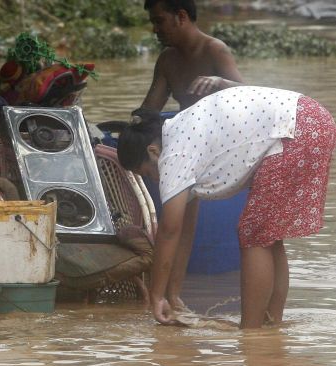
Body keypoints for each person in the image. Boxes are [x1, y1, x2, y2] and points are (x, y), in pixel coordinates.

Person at [117, 85, 336, 328]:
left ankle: (251, 334)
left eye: (147, 172)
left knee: (254, 234)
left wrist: (156, 296)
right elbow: (184, 231)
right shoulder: (182, 134)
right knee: (268, 236)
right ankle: (272, 325)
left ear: (153, 151)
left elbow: (168, 232)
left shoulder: (173, 154)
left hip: (295, 128)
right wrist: (173, 296)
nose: (155, 179)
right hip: (311, 119)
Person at [138, 0, 243, 112]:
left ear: (181, 16)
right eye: (153, 23)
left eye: (159, 21)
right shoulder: (166, 60)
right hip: (187, 127)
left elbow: (246, 94)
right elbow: (149, 111)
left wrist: (220, 82)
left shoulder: (215, 50)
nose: (155, 29)